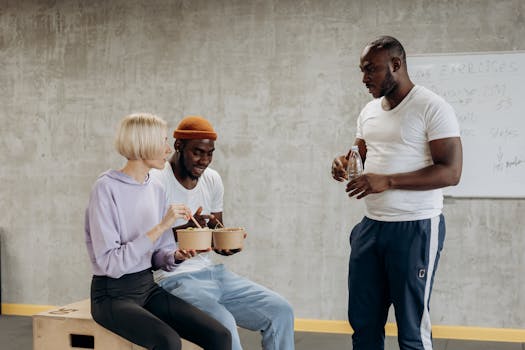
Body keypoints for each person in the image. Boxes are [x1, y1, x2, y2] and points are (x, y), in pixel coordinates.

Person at [331, 36, 463, 350]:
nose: (364, 78)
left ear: (396, 64)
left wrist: (388, 181)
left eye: (371, 70)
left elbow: (451, 172)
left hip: (415, 227)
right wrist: (341, 163)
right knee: (363, 326)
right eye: (362, 71)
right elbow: (357, 155)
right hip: (371, 227)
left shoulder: (432, 107)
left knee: (411, 330)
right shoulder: (368, 111)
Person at [85, 113, 232, 350]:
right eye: (163, 142)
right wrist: (162, 226)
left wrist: (175, 255)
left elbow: (157, 256)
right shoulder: (106, 188)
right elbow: (111, 264)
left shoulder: (155, 187)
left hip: (148, 288)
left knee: (219, 336)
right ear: (145, 145)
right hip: (112, 295)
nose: (167, 150)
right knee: (168, 342)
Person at [150, 115, 295, 350]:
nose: (204, 160)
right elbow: (146, 244)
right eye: (197, 152)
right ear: (178, 146)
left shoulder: (212, 180)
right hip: (173, 280)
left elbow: (216, 233)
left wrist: (228, 246)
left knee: (280, 310)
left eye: (210, 153)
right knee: (224, 325)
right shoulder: (156, 182)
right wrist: (185, 230)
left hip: (213, 273)